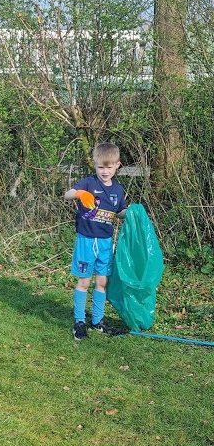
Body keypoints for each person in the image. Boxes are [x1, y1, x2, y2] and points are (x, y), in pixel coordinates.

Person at [64, 142, 127, 340]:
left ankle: (98, 320)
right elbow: (67, 194)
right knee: (84, 281)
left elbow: (120, 213)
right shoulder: (89, 183)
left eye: (109, 167)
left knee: (102, 282)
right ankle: (79, 322)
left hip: (105, 243)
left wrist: (132, 214)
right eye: (101, 167)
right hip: (86, 241)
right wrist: (80, 193)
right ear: (95, 165)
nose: (105, 171)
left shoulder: (118, 189)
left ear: (117, 165)